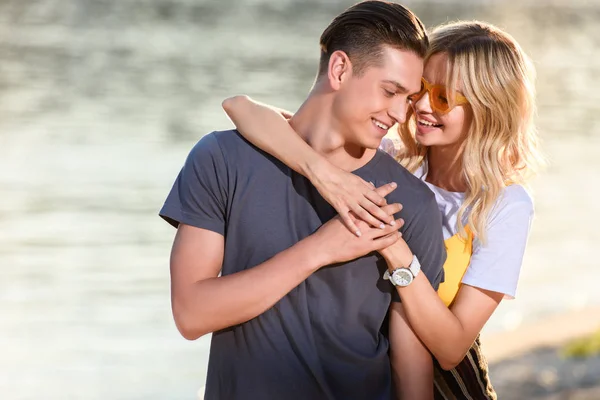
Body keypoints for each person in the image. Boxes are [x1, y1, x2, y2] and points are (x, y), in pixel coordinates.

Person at [222, 20, 543, 400]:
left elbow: (451, 346)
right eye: (418, 90)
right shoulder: (391, 159)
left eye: (442, 98)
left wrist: (396, 247)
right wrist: (322, 173)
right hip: (360, 371)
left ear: (488, 108)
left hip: (444, 386)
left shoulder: (504, 205)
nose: (420, 106)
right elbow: (241, 108)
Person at [159, 2, 446, 399]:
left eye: (409, 98)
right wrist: (319, 249)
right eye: (391, 91)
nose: (401, 113)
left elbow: (411, 365)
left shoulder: (409, 204)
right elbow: (191, 314)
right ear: (340, 69)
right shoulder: (224, 159)